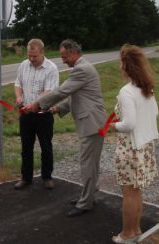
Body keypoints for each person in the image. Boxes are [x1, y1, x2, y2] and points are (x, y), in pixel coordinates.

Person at [24, 39, 106, 217]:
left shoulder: (81, 69)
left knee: (88, 165)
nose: (63, 60)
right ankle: (89, 196)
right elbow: (74, 97)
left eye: (64, 56)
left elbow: (62, 91)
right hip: (92, 123)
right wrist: (57, 109)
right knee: (90, 164)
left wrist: (38, 105)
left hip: (92, 124)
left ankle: (86, 203)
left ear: (74, 53)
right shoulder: (82, 68)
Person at [110, 44, 159, 243]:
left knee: (128, 193)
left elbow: (129, 123)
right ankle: (136, 229)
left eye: (121, 62)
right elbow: (155, 113)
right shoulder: (146, 88)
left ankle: (127, 234)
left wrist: (114, 126)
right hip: (145, 146)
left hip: (130, 147)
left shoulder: (126, 91)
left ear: (126, 65)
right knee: (136, 191)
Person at [14, 38, 59, 190]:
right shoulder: (23, 65)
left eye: (35, 56)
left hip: (43, 114)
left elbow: (49, 92)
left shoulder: (51, 68)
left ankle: (47, 177)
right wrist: (19, 97)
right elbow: (18, 84)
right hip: (26, 115)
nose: (31, 59)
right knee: (26, 147)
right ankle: (26, 178)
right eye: (29, 56)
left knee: (46, 146)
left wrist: (34, 105)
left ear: (42, 52)